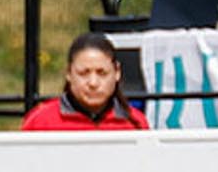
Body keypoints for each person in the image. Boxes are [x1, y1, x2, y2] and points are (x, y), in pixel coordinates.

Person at [21, 32, 150, 131]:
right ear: (68, 73)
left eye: (102, 73)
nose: (93, 83)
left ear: (117, 72)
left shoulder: (136, 123)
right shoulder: (41, 122)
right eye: (83, 73)